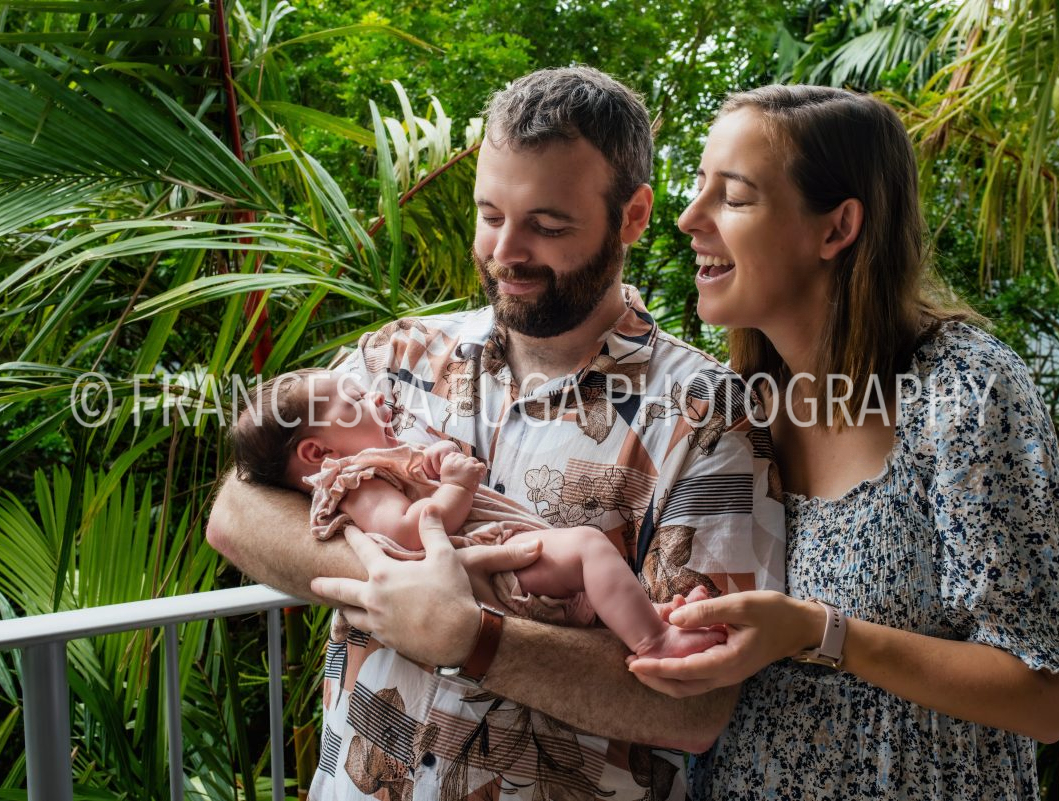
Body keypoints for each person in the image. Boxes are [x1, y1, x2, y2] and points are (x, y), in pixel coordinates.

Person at [206, 66, 786, 801]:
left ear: (633, 216)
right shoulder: (396, 355)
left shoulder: (709, 416)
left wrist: (473, 636)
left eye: (547, 225)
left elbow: (697, 705)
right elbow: (239, 510)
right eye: (490, 215)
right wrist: (405, 585)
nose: (507, 250)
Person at [623, 85, 1059, 799]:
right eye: (699, 187)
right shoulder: (734, 406)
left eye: (735, 197)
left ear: (837, 228)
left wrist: (822, 633)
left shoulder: (966, 394)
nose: (690, 218)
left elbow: (1049, 699)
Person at [230, 367, 726, 658]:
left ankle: (652, 618)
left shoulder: (378, 463)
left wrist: (432, 462)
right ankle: (655, 641)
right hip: (489, 567)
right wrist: (456, 486)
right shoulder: (355, 482)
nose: (375, 395)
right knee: (588, 548)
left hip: (495, 561)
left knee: (587, 562)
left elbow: (414, 492)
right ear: (319, 453)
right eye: (355, 400)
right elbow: (411, 532)